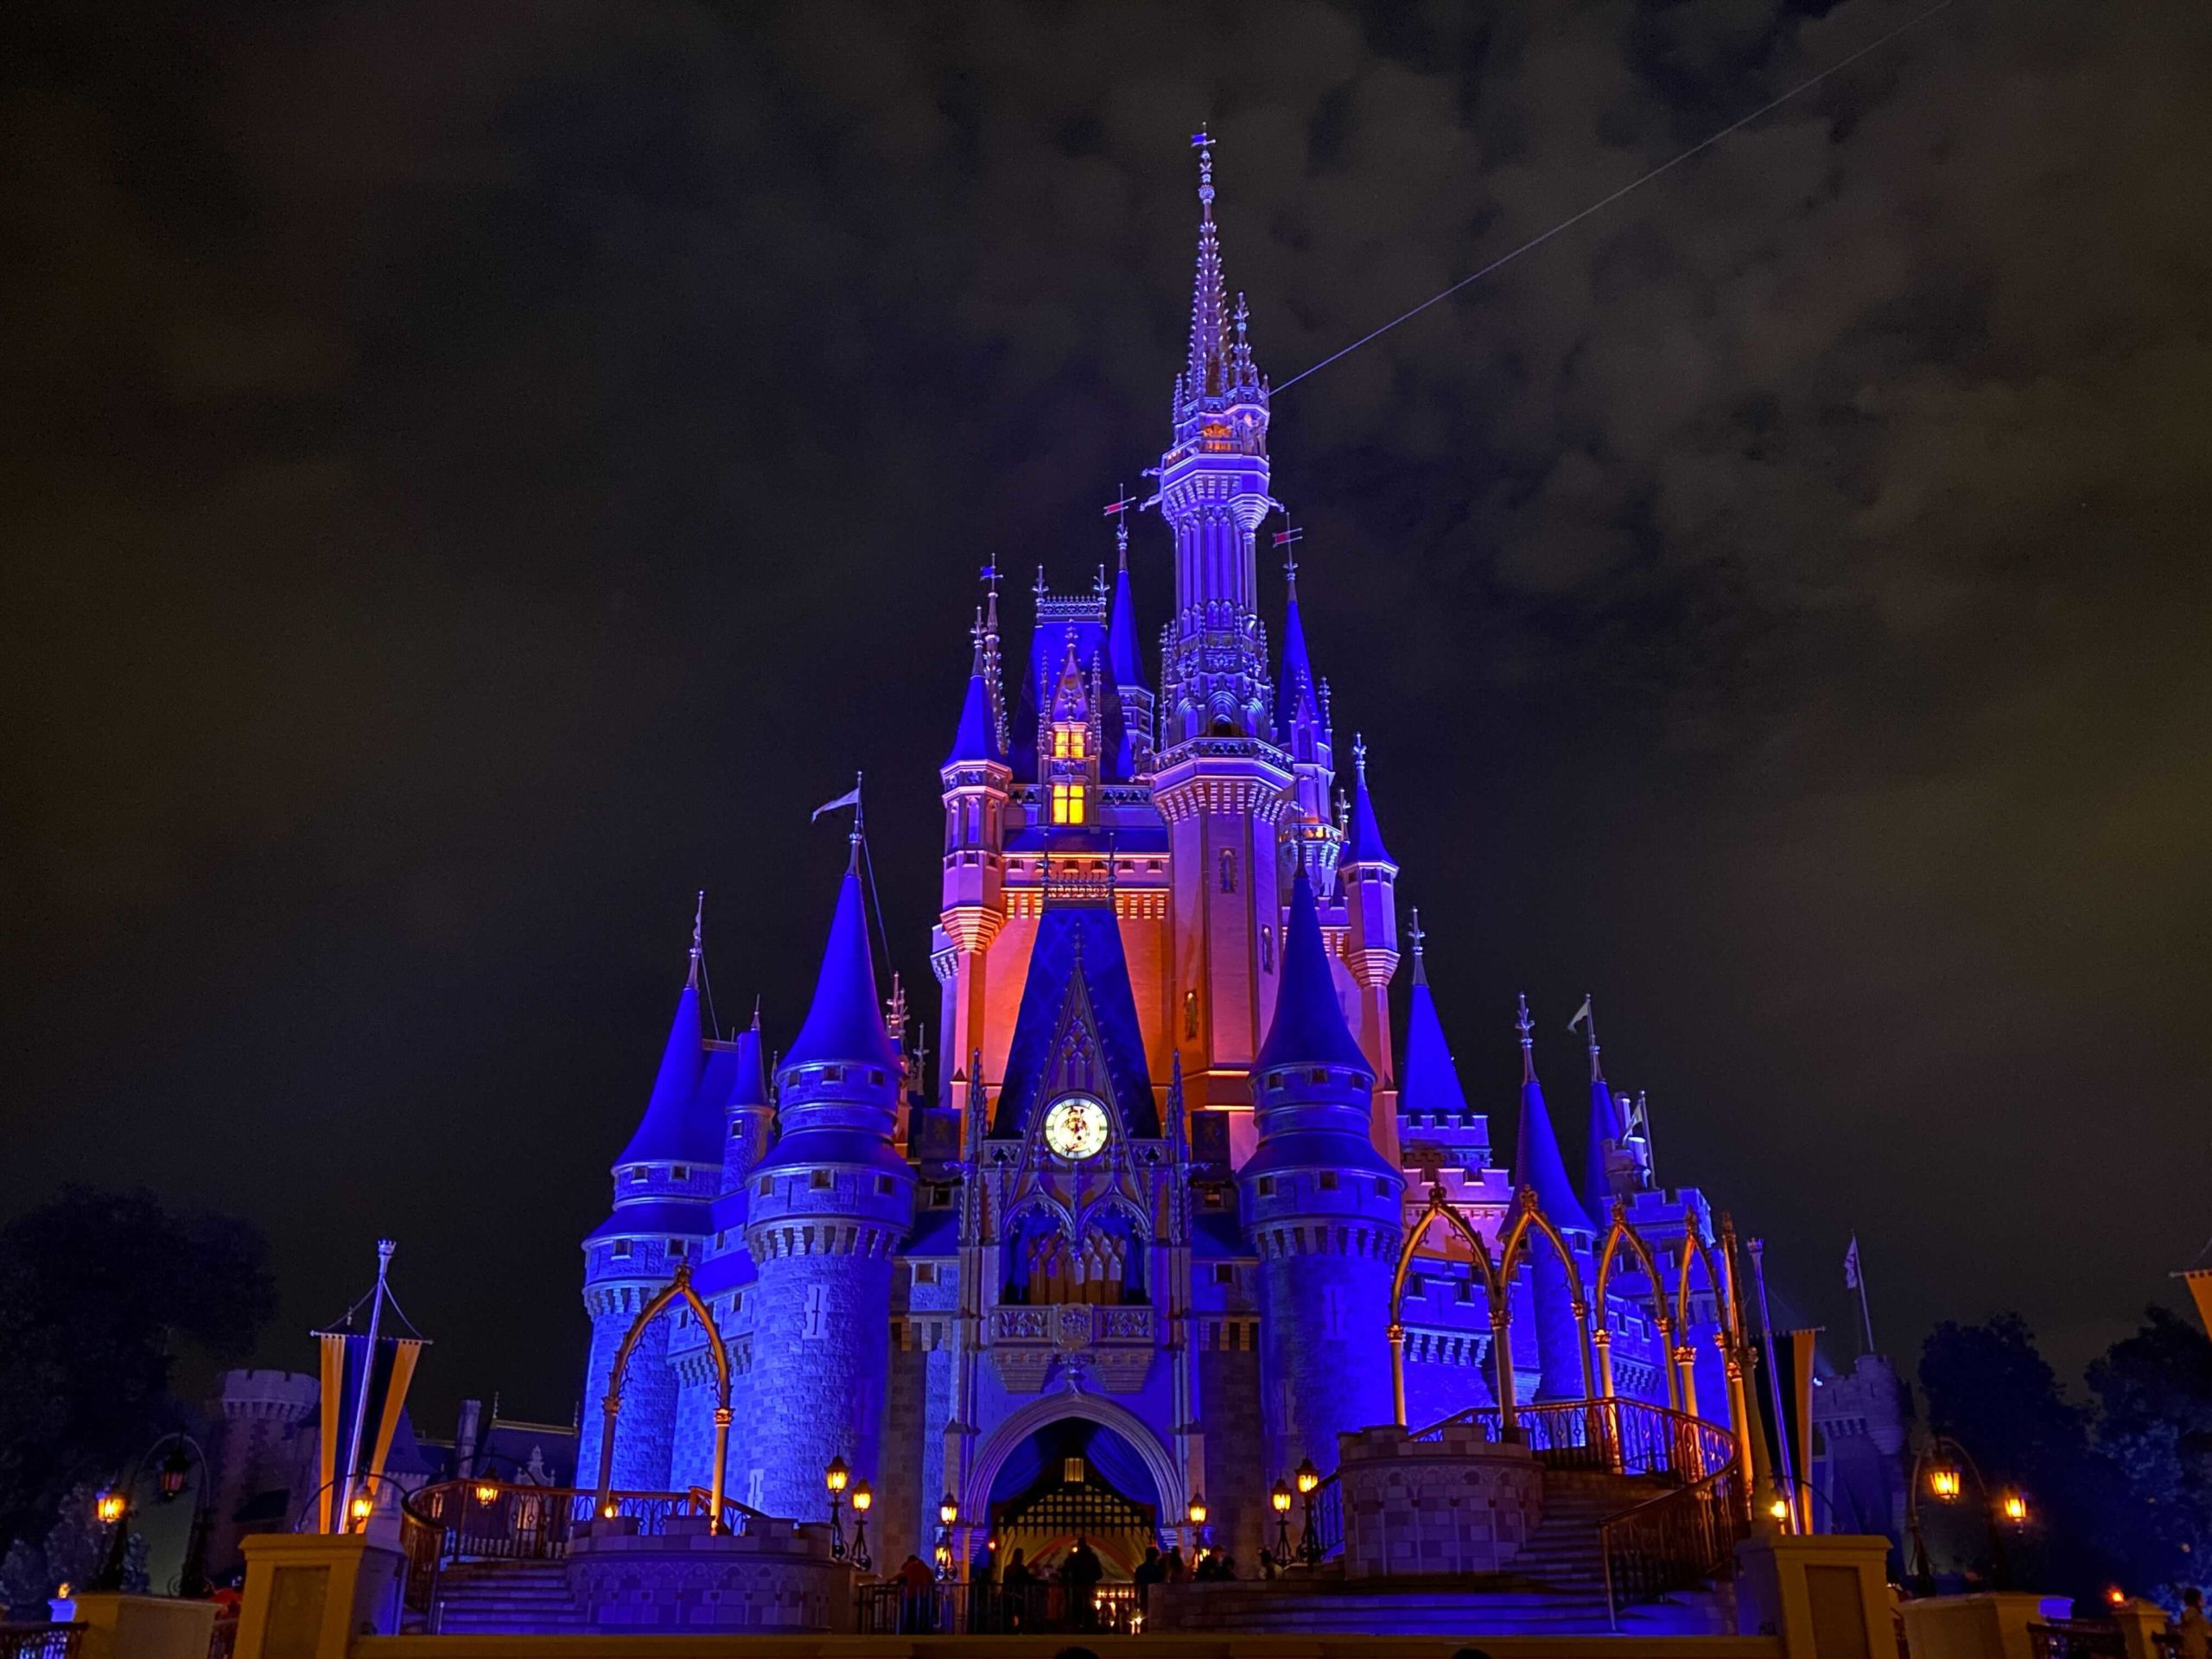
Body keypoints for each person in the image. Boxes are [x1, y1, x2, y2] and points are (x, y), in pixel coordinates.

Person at [1065, 1536, 1103, 1631]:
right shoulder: (1092, 1558)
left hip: (1077, 1588)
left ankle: (1077, 1625)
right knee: (1088, 1606)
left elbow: (1066, 1570)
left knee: (1078, 1606)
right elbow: (1099, 1574)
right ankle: (1089, 1625)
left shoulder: (1074, 1558)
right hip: (1089, 1587)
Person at [895, 1553, 935, 1635]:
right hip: (923, 1594)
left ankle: (910, 1631)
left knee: (910, 1613)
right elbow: (931, 1578)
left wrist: (890, 1580)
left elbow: (901, 1575)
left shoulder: (910, 1567)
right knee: (922, 1613)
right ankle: (922, 1630)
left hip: (911, 1594)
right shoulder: (924, 1567)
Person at [1132, 1544, 1163, 1620]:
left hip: (1144, 1595)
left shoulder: (1140, 1569)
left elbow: (1137, 1584)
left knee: (1145, 1616)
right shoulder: (1158, 1569)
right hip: (1155, 1596)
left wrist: (1136, 1598)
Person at [2178, 1587, 2209, 1659]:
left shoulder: (2185, 1616)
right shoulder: (2197, 1617)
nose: (2204, 1600)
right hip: (2198, 1652)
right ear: (2197, 1600)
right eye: (2202, 1598)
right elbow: (2208, 1632)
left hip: (2187, 1651)